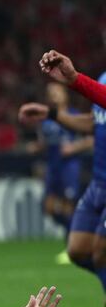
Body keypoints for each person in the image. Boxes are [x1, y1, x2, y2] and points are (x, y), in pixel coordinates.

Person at [19, 49, 106, 307]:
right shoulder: (101, 79)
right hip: (99, 182)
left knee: (102, 252)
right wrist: (54, 113)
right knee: (79, 250)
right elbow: (93, 122)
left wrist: (72, 80)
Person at [21, 82, 91, 263]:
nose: (53, 95)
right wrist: (37, 147)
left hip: (69, 166)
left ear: (65, 94)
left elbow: (92, 140)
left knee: (68, 207)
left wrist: (74, 147)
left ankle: (72, 249)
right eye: (50, 92)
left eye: (57, 92)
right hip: (52, 167)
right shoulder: (46, 121)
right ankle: (75, 241)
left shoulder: (75, 116)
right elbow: (47, 142)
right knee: (49, 207)